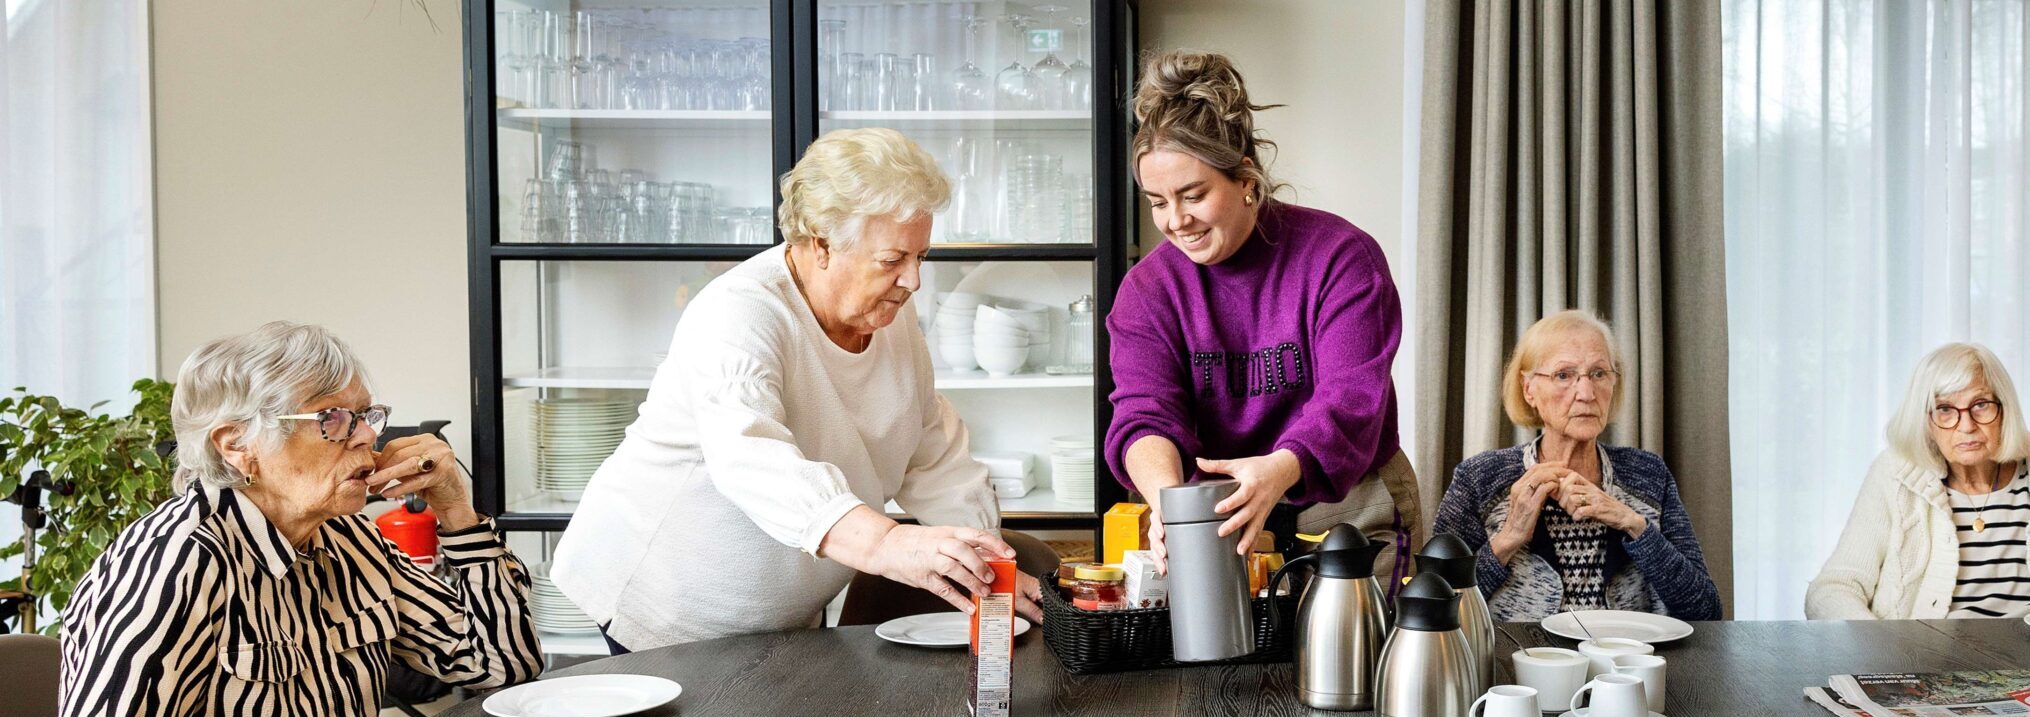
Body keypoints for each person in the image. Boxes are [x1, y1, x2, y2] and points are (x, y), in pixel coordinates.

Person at [551, 128, 1043, 651]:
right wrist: (887, 543)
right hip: (655, 607)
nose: (913, 281)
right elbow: (751, 456)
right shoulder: (739, 312)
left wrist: (990, 565)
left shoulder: (892, 317)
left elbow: (930, 450)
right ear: (821, 244)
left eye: (921, 257)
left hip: (777, 623)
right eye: (893, 259)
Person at [59, 322, 541, 716]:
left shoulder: (349, 539)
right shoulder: (175, 564)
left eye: (366, 415)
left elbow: (501, 666)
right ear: (237, 445)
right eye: (332, 419)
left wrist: (456, 509)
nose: (365, 437)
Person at [1104, 49, 1422, 581]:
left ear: (1246, 179)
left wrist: (1279, 468)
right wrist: (1167, 502)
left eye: (1193, 194)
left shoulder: (1340, 257)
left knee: (1352, 651)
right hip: (1213, 510)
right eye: (1157, 201)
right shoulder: (1147, 290)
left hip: (1346, 497)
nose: (1176, 221)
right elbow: (1144, 414)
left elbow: (1350, 401)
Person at [1433, 310, 1721, 622]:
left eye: (1599, 374)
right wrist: (1510, 536)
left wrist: (1633, 525)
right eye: (1563, 375)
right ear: (1529, 389)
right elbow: (1433, 605)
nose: (1586, 394)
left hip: (1622, 668)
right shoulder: (1479, 479)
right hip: (1517, 666)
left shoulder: (1649, 475)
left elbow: (1705, 611)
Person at [1808, 343, 2030, 619]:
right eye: (1945, 409)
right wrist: (1885, 654)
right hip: (1922, 661)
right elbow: (1832, 590)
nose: (1966, 425)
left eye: (1981, 404)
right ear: (1926, 421)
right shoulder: (1896, 474)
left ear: (2005, 408)